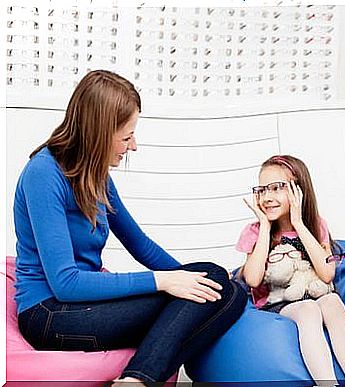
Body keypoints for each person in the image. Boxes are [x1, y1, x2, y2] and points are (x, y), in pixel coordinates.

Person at [13, 70, 248, 386]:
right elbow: (65, 284)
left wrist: (187, 279)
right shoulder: (43, 174)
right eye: (126, 136)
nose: (133, 146)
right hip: (50, 314)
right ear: (98, 133)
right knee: (215, 291)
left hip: (83, 305)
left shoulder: (96, 178)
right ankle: (140, 379)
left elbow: (141, 245)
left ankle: (136, 379)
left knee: (225, 287)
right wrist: (163, 281)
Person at [236, 155, 345, 385]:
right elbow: (254, 279)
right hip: (277, 304)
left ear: (298, 190)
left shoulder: (315, 224)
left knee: (333, 302)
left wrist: (299, 224)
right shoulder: (255, 231)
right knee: (308, 309)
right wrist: (266, 228)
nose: (267, 197)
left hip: (316, 293)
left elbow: (327, 274)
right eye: (262, 190)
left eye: (276, 188)